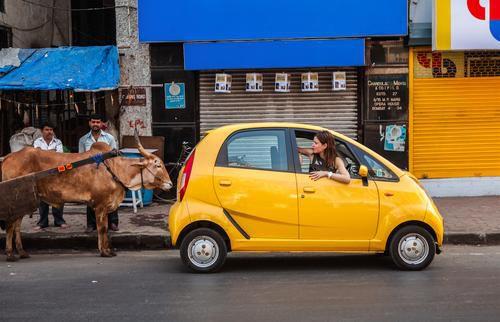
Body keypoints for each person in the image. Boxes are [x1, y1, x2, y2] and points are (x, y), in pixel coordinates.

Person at [78, 114, 119, 233]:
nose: (95, 124)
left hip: (107, 172)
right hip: (90, 173)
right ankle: (91, 224)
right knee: (90, 198)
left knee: (110, 197)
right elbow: (80, 158)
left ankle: (113, 222)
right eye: (93, 122)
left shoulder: (109, 138)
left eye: (98, 122)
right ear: (89, 123)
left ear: (101, 124)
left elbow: (115, 154)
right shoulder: (83, 140)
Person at [33, 122, 68, 229]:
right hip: (42, 175)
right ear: (42, 131)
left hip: (56, 174)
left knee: (58, 197)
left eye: (51, 130)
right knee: (42, 198)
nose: (49, 132)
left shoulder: (58, 142)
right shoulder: (37, 142)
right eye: (47, 129)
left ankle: (59, 221)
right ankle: (42, 222)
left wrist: (43, 153)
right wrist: (51, 153)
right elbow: (37, 157)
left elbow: (59, 157)